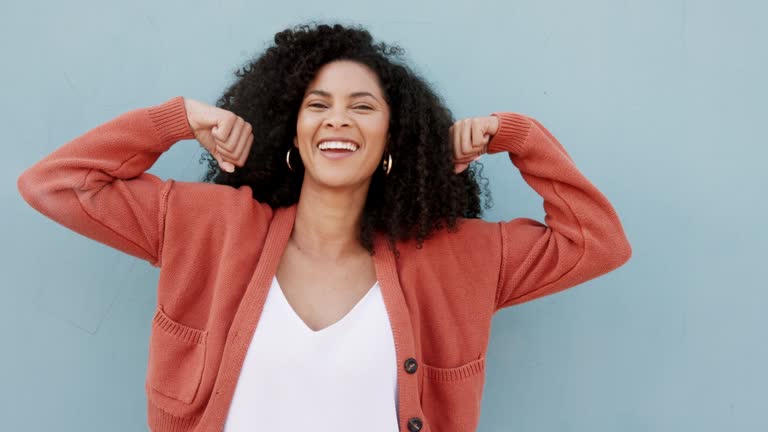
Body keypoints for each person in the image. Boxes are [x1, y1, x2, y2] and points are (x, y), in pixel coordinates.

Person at [17, 22, 632, 432]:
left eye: (362, 106)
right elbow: (56, 184)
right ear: (293, 128)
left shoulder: (457, 256)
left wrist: (518, 137)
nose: (338, 121)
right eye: (318, 104)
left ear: (394, 138)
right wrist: (174, 120)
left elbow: (597, 242)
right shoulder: (208, 226)